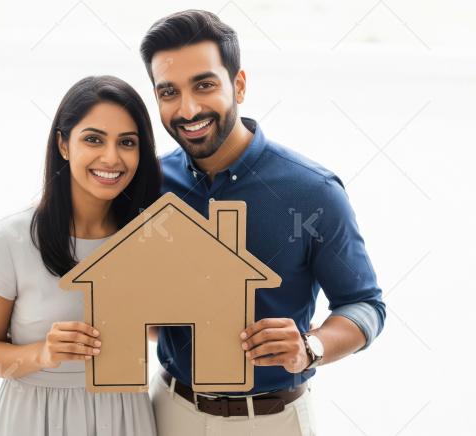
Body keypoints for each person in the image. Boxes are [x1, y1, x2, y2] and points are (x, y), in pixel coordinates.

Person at [140, 10, 387, 435]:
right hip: (167, 413)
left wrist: (311, 347)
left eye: (204, 84)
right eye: (168, 92)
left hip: (275, 421)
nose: (188, 108)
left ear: (238, 84)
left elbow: (365, 305)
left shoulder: (314, 191)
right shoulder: (149, 187)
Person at [0, 75, 161, 435]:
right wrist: (43, 354)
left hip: (125, 415)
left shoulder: (148, 237)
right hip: (34, 416)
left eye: (127, 142)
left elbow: (160, 330)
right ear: (63, 144)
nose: (111, 157)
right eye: (93, 139)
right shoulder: (8, 239)